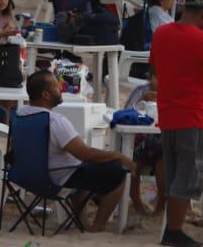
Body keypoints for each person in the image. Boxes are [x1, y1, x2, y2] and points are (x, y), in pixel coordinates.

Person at [149, 0, 203, 247]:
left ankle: (172, 230)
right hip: (194, 114)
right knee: (189, 175)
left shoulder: (161, 33)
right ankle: (173, 232)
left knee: (175, 173)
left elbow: (156, 67)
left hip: (169, 112)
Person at [17, 70, 136, 231]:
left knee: (85, 166)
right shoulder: (55, 121)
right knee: (118, 171)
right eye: (56, 86)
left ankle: (81, 219)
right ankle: (98, 226)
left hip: (26, 176)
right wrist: (119, 156)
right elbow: (84, 153)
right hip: (57, 178)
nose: (61, 87)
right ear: (46, 94)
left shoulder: (19, 115)